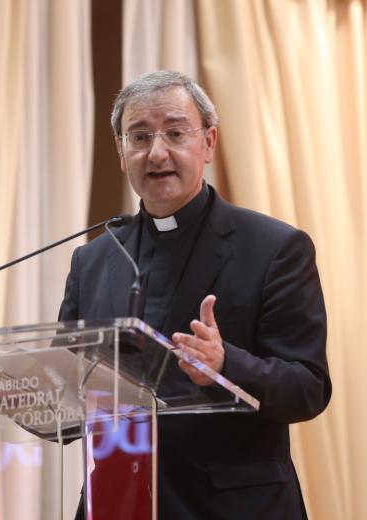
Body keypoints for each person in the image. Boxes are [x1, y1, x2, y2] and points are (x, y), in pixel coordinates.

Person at [58, 70, 331, 519]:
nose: (157, 152)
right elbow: (66, 392)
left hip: (232, 507)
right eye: (139, 136)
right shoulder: (93, 260)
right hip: (118, 504)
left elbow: (308, 388)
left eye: (175, 133)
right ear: (121, 152)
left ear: (208, 143)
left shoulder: (274, 248)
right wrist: (21, 387)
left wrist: (227, 365)